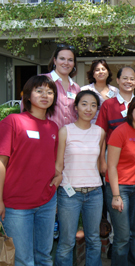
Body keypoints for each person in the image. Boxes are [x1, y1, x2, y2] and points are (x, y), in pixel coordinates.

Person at [0, 75, 60, 266]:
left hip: (47, 202)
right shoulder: (13, 121)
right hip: (16, 205)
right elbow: (1, 162)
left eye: (50, 92)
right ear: (27, 96)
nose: (45, 95)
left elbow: (53, 160)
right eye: (39, 90)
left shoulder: (53, 127)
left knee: (44, 256)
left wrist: (58, 176)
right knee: (23, 260)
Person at [55, 90, 106, 266]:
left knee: (94, 239)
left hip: (95, 193)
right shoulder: (65, 131)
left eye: (93, 105)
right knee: (67, 242)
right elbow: (58, 165)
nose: (88, 109)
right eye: (84, 104)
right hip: (69, 194)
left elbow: (101, 164)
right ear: (75, 107)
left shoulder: (100, 132)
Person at [105, 95, 135, 266]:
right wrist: (116, 195)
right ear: (131, 110)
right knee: (123, 235)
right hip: (119, 188)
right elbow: (111, 166)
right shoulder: (120, 131)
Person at [20, 44, 81, 129]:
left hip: (70, 136)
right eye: (62, 59)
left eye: (70, 60)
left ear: (74, 64)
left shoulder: (76, 88)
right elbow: (25, 104)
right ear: (55, 61)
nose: (66, 63)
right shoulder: (41, 81)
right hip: (45, 133)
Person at [96, 66, 135, 176]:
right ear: (118, 80)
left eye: (132, 79)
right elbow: (101, 135)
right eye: (125, 78)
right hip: (112, 157)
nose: (128, 82)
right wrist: (102, 161)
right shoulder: (108, 105)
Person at [81, 59, 119, 123]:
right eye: (97, 70)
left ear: (108, 72)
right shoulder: (84, 90)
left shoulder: (115, 91)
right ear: (93, 74)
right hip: (90, 127)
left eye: (103, 69)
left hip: (110, 128)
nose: (101, 72)